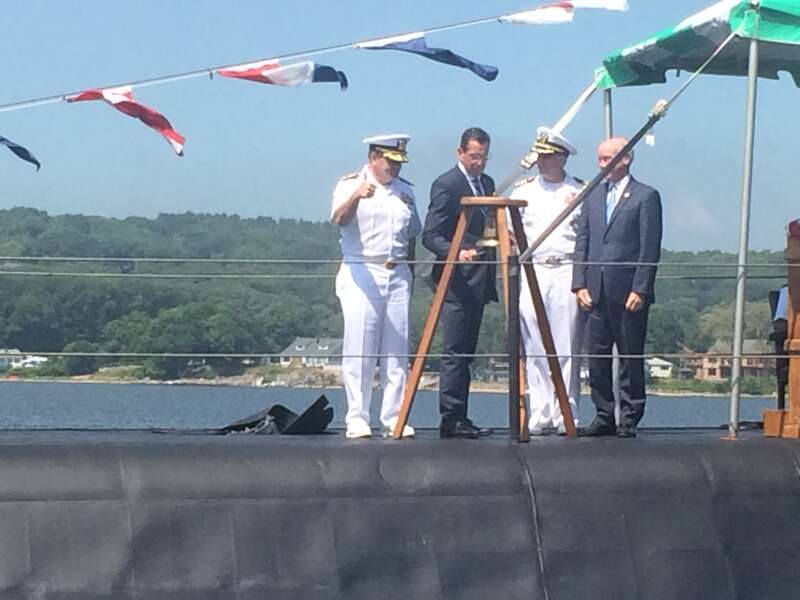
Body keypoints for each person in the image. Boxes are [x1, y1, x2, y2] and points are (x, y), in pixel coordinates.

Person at [331, 134, 421, 439]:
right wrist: (357, 196)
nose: (394, 167)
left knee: (397, 349)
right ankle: (357, 415)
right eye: (389, 161)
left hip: (396, 271)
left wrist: (410, 274)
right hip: (361, 268)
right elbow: (339, 220)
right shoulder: (350, 183)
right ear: (374, 158)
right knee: (361, 346)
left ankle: (394, 415)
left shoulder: (405, 191)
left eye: (398, 162)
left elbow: (412, 235)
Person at [572, 137, 662, 438]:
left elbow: (649, 247)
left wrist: (641, 289)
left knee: (629, 355)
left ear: (626, 159)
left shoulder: (645, 196)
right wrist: (579, 284)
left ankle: (629, 416)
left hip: (627, 293)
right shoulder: (593, 195)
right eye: (599, 158)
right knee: (596, 357)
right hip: (594, 290)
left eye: (607, 158)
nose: (601, 165)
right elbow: (582, 241)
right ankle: (603, 414)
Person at [423, 127, 496, 439]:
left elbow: (489, 227)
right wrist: (456, 252)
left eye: (483, 157)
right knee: (454, 351)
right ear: (461, 153)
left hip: (480, 278)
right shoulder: (447, 184)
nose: (478, 163)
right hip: (455, 280)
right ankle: (450, 418)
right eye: (474, 156)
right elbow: (431, 235)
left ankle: (462, 416)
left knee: (467, 352)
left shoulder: (488, 184)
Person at [510, 127, 584, 435]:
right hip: (534, 269)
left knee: (566, 343)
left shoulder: (581, 191)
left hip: (566, 269)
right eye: (539, 155)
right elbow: (510, 233)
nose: (541, 161)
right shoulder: (523, 191)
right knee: (536, 343)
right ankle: (540, 410)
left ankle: (566, 409)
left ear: (562, 158)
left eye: (547, 156)